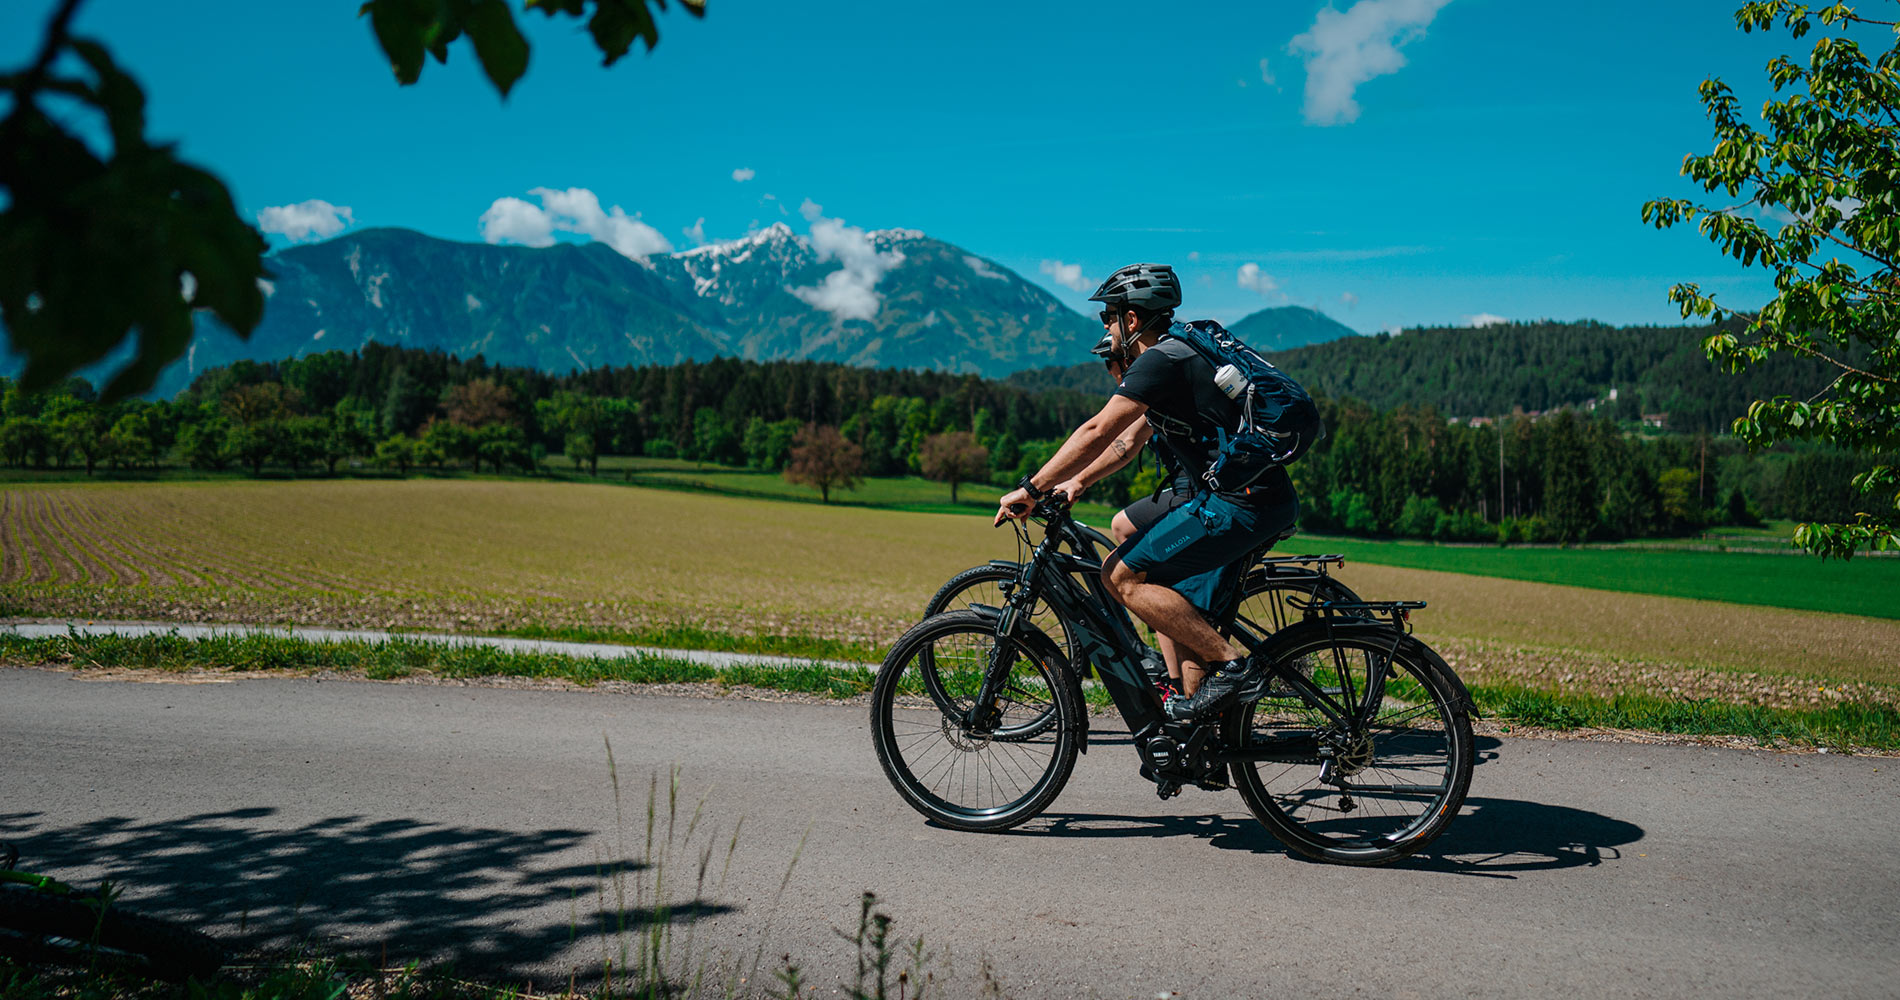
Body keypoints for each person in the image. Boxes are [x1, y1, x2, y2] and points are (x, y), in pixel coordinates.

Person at [996, 263, 1302, 722]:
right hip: (1246, 498)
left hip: (1238, 505)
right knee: (1169, 593)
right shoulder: (1179, 354)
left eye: (1109, 316)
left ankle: (1236, 668)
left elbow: (1099, 429)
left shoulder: (1162, 359)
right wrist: (1076, 480)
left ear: (1132, 320)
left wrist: (1031, 488)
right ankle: (1199, 744)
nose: (1105, 326)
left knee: (1121, 577)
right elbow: (1122, 442)